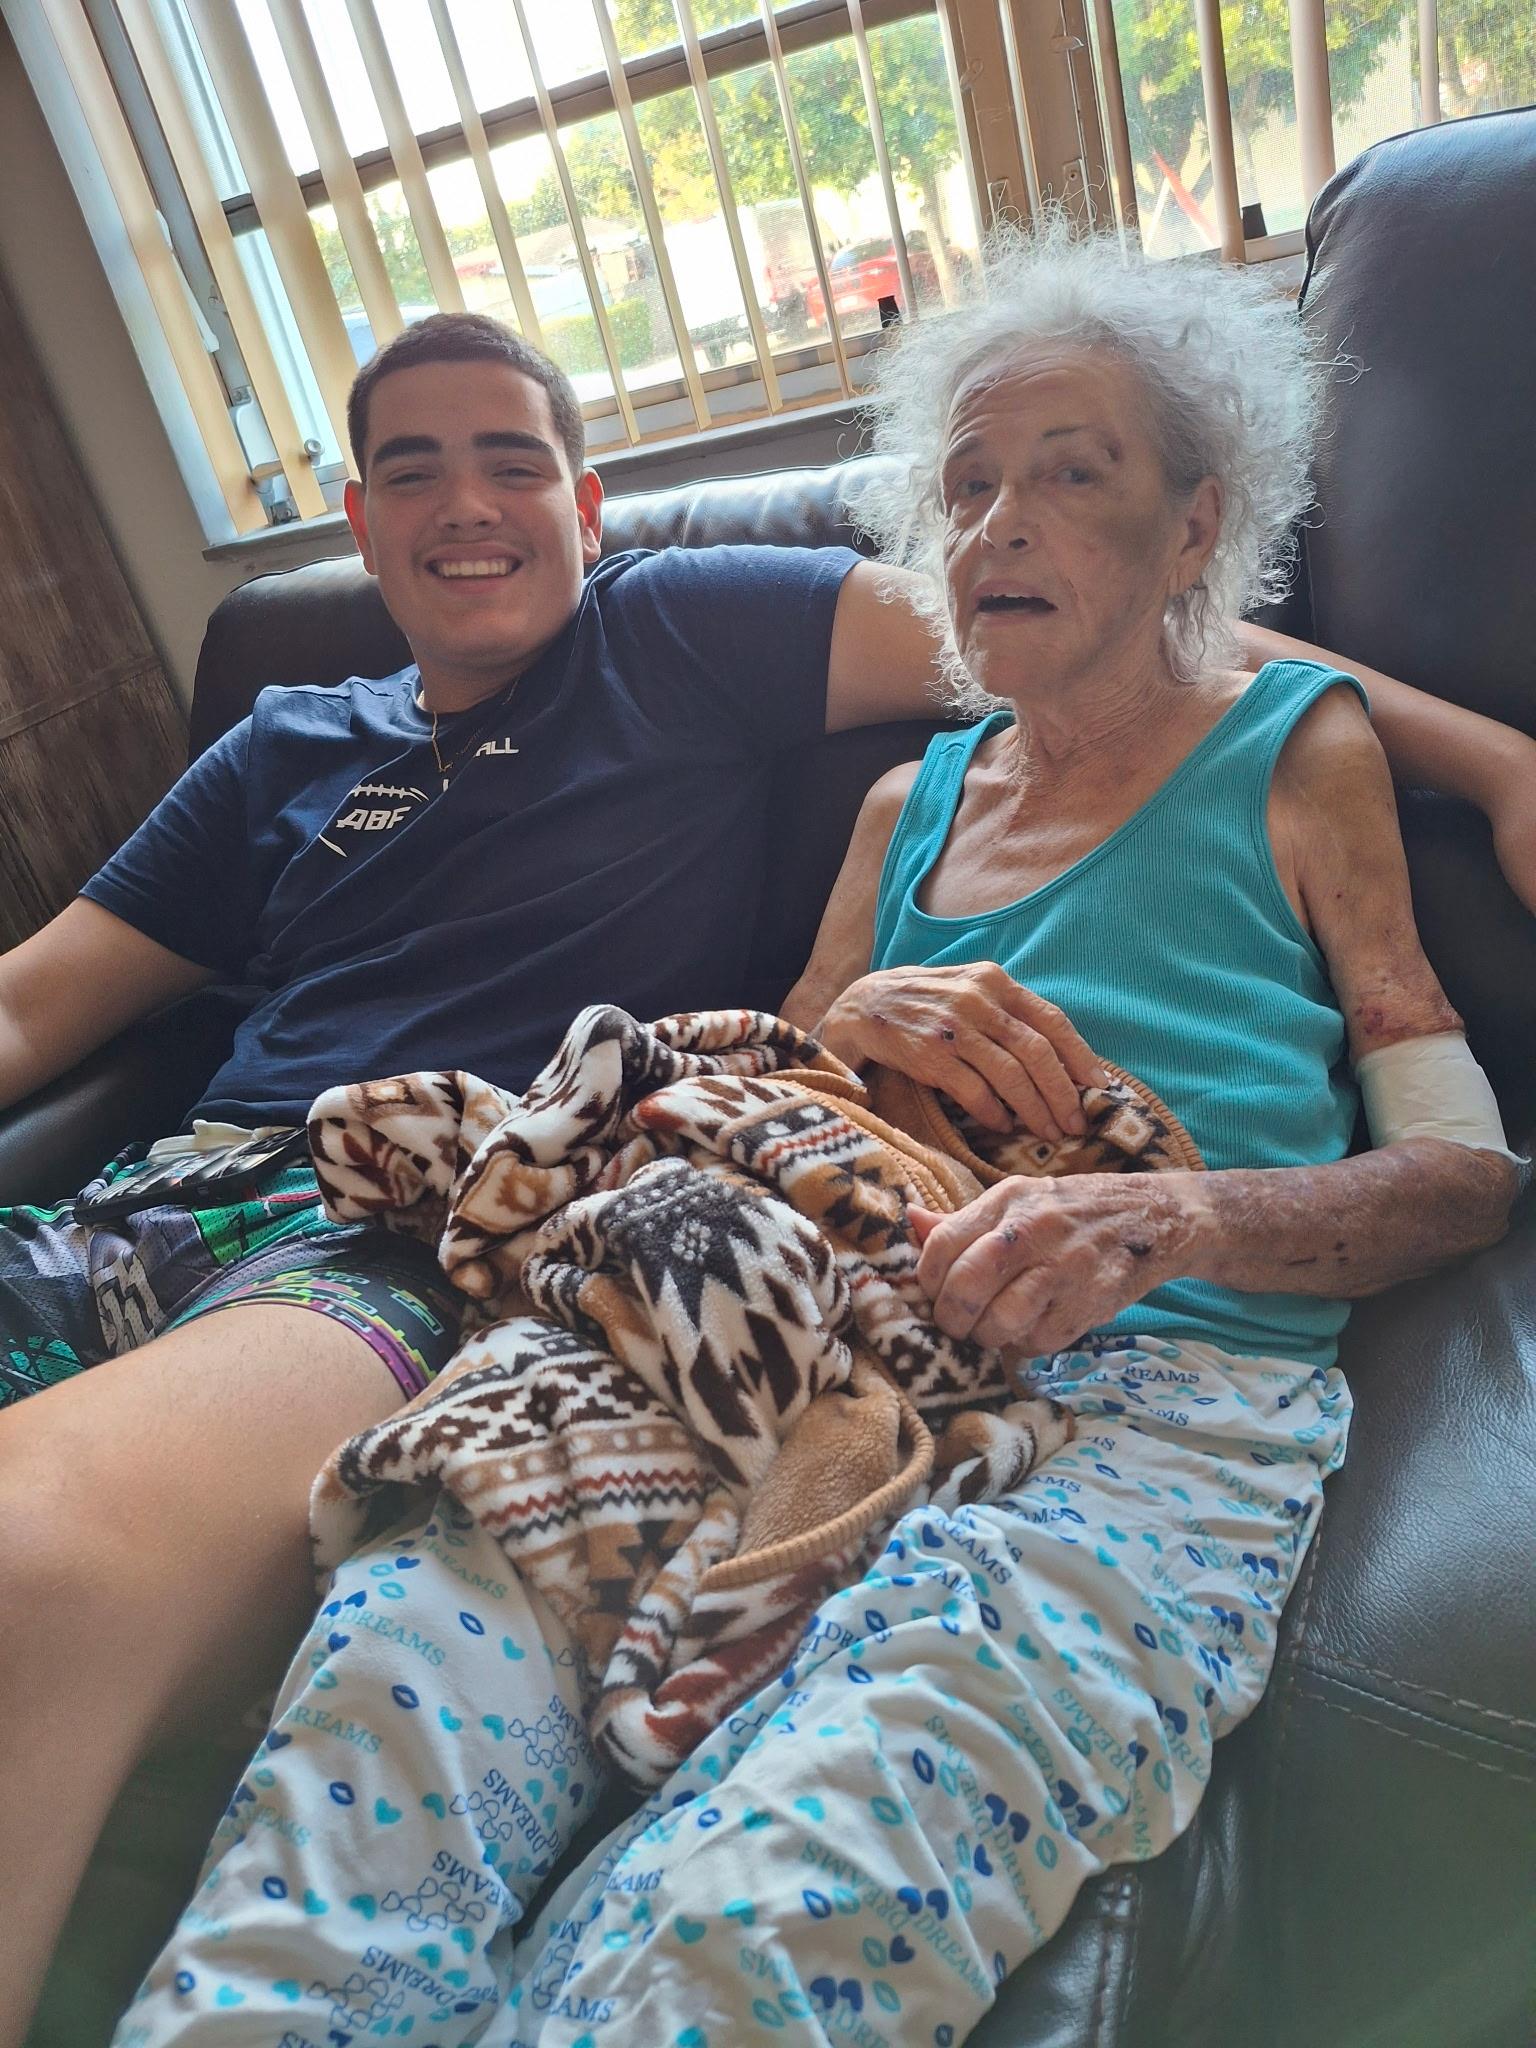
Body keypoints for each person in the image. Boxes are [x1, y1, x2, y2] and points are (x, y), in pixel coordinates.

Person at [106, 232, 1521, 2045]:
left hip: (1140, 1397)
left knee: (755, 1930)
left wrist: (1164, 1218)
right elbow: (763, 1085)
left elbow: (1466, 1173)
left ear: (1195, 531)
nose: (997, 525)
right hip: (759, 1332)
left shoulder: (1291, 744)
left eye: (1069, 478)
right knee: (378, 1716)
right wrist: (844, 1027)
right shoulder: (895, 804)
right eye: (969, 486)